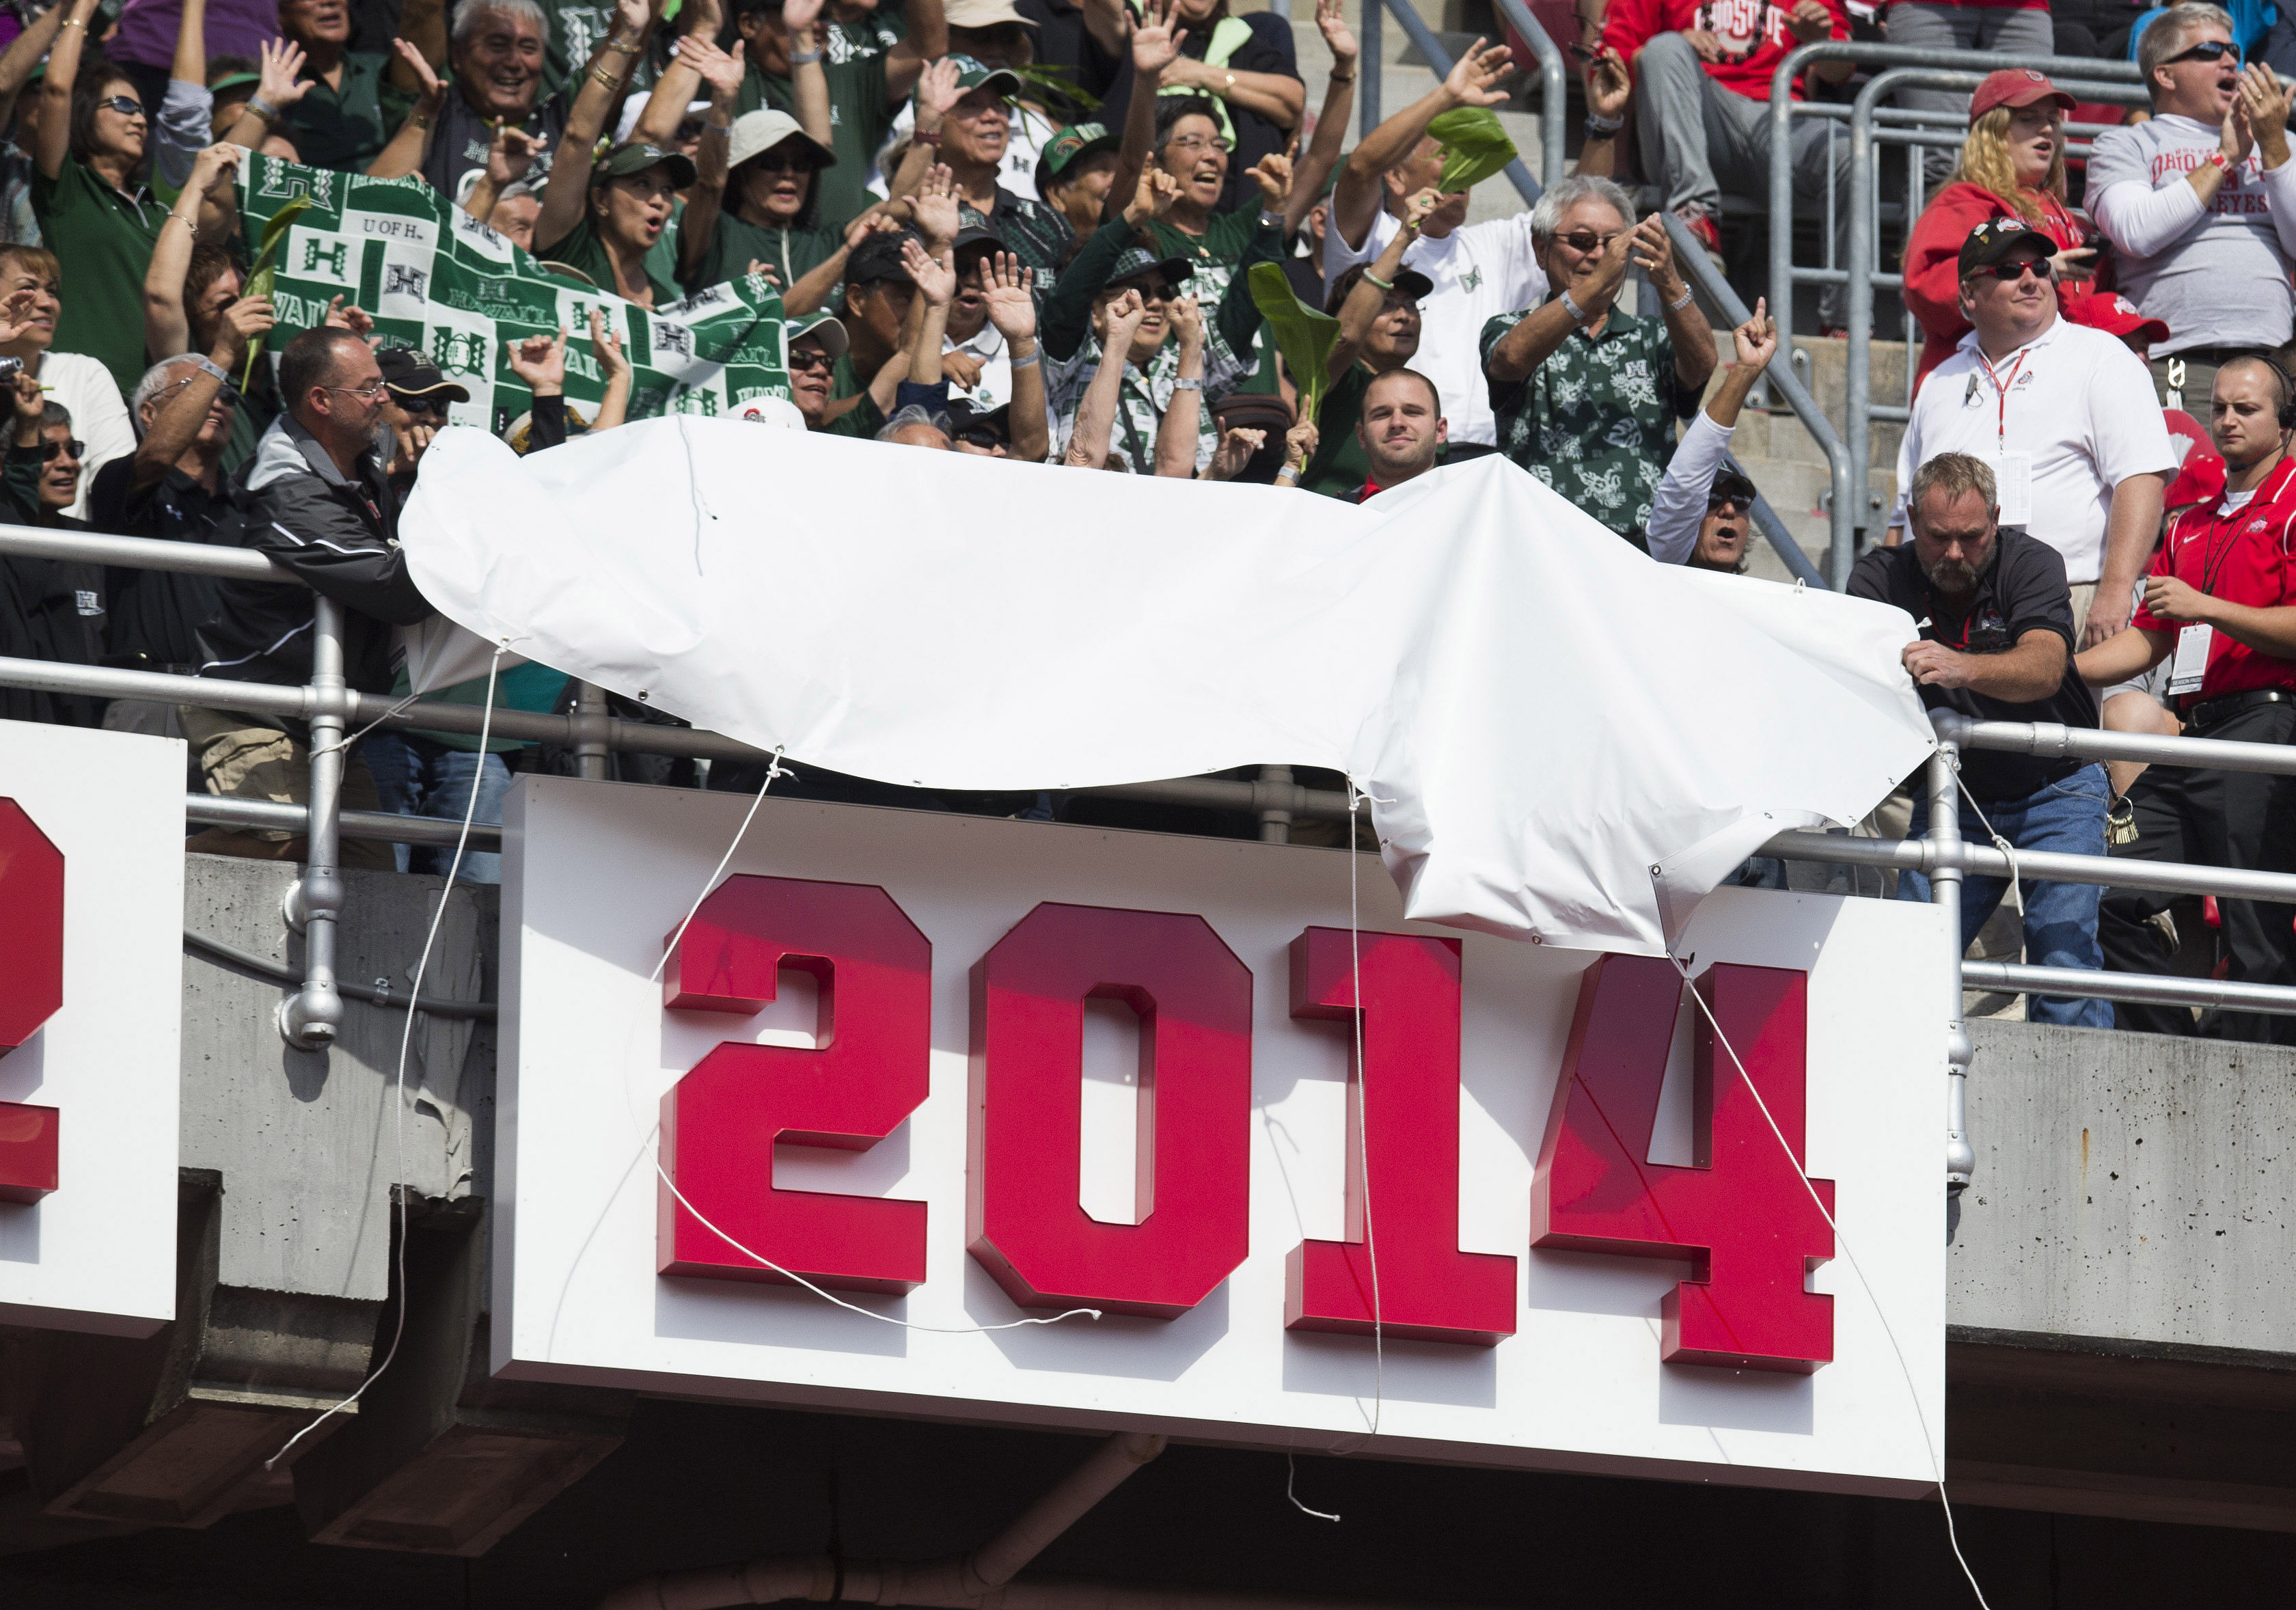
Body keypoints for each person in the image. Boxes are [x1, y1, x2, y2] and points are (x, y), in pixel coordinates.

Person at [1850, 452, 2116, 1028]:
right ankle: (1905, 1109)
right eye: (1938, 536)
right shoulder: (1878, 576)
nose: (1953, 553)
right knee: (1907, 967)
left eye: (1970, 537)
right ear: (1912, 522)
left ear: (1996, 519)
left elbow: (2047, 667)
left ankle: (2083, 1120)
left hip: (2058, 786)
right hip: (1956, 792)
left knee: (2063, 973)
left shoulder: (2033, 562)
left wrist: (1960, 667)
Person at [2078, 355, 2296, 1041]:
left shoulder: (2292, 499)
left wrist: (2207, 604)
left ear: (2285, 420)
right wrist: (2059, 671)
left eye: (2247, 408)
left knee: (2256, 925)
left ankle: (2252, 1080)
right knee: (2108, 897)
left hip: (2270, 721)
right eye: (2221, 407)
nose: (2227, 420)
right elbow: (2149, 639)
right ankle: (2179, 1054)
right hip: (2195, 732)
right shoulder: (2187, 521)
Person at [185, 327, 423, 869]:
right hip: (252, 707)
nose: (385, 399)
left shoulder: (364, 453)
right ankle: (139, 854)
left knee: (370, 874)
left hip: (329, 722)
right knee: (293, 848)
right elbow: (396, 588)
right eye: (369, 388)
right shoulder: (288, 491)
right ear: (321, 401)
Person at [1890, 216, 2176, 648]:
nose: (2031, 280)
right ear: (1968, 293)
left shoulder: (2101, 357)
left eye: (2040, 267)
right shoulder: (1940, 381)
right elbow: (1903, 510)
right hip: (1950, 600)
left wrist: (2116, 592)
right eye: (2008, 271)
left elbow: (2140, 480)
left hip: (2072, 596)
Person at [1322, 38, 1544, 457]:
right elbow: (1359, 168)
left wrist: (1604, 126)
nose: (1463, 166)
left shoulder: (1492, 244)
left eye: (1470, 154)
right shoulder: (1372, 236)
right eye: (1445, 154)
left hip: (1484, 454)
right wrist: (1447, 96)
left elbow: (1576, 222)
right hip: (1388, 454)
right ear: (1397, 178)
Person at [1480, 176, 1716, 538]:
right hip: (1538, 541)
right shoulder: (1509, 327)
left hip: (1638, 552)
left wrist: (1669, 279)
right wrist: (1590, 289)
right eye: (1582, 241)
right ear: (1541, 250)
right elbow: (1510, 360)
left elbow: (1701, 365)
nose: (1598, 255)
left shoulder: (1652, 337)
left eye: (1613, 244)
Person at [2087, 4, 2296, 409]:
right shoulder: (2126, 144)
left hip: (2275, 367)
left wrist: (2273, 147)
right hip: (2178, 366)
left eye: (2234, 50)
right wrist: (2223, 159)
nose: (2231, 60)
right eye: (2208, 51)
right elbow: (2136, 232)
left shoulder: (2279, 143)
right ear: (2164, 74)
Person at [1601, 0, 1856, 329]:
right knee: (1664, 48)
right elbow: (1608, 62)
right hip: (1695, 119)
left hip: (1778, 125)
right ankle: (1693, 219)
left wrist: (1819, 43)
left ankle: (1845, 323)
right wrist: (1674, 44)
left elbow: (1842, 70)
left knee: (1851, 149)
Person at [89, 299, 272, 753]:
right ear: (149, 414)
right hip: (153, 699)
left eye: (226, 393)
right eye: (197, 386)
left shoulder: (247, 508)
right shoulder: (122, 483)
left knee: (242, 827)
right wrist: (223, 355)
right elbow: (157, 456)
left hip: (237, 704)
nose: (217, 399)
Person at [33, 0, 213, 398]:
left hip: (157, 399)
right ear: (85, 114)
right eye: (124, 106)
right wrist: (81, 9)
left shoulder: (159, 211)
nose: (140, 119)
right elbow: (57, 89)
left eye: (142, 111)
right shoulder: (68, 191)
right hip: (85, 395)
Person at [1901, 70, 2092, 393]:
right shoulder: (1965, 202)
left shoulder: (2063, 214)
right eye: (2028, 119)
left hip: (2054, 388)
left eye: (2052, 120)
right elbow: (1927, 285)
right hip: (1975, 388)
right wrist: (2033, 273)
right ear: (1993, 133)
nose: (2046, 128)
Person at [733, 0, 946, 228]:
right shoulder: (727, 85)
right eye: (791, 10)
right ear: (750, 24)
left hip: (840, 253)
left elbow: (928, 47)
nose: (812, 23)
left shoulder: (852, 81)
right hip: (750, 253)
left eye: (821, 15)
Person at [1088, 0, 1301, 215]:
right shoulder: (1137, 24)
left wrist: (1201, 74)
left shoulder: (1239, 38)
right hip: (1145, 218)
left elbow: (1292, 101)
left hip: (1232, 226)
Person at [1297, 189, 1435, 498]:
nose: (1404, 316)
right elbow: (1346, 337)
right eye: (1386, 305)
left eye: (1412, 305)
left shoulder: (1420, 402)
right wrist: (1403, 239)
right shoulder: (1332, 379)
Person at [911, 54, 1076, 296]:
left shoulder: (1046, 223)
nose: (992, 116)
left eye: (998, 103)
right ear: (935, 122)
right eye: (971, 105)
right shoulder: (913, 221)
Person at [1645, 298, 1777, 573]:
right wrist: (1745, 371)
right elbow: (1686, 483)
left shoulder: (1755, 603)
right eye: (1713, 499)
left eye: (1740, 502)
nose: (1729, 511)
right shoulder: (1666, 568)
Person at [0, 243, 129, 522]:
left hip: (69, 555)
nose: (47, 303)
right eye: (29, 288)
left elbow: (117, 486)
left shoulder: (85, 375)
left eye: (52, 291)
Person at [1885, 0, 2059, 185]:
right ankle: (1941, 213)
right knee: (1940, 165)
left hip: (2025, 8)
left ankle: (2016, 214)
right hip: (1927, 6)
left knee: (2026, 165)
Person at [1350, 366, 1445, 500]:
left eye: (1413, 412)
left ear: (1440, 431)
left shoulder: (1474, 509)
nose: (1397, 423)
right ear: (1362, 435)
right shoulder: (1334, 515)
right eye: (1382, 414)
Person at [1036, 118, 1121, 244]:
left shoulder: (1142, 249)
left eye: (1122, 171)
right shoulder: (1037, 256)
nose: (1119, 181)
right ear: (1057, 194)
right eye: (1103, 169)